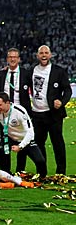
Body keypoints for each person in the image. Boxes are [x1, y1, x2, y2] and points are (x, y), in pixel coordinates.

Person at [29, 45, 71, 175]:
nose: (43, 55)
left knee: (57, 143)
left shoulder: (58, 71)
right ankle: (42, 172)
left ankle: (61, 172)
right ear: (37, 56)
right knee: (39, 144)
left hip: (53, 114)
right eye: (41, 53)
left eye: (46, 53)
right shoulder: (31, 71)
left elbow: (68, 90)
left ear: (50, 55)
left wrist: (62, 102)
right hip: (37, 114)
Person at [0, 92, 46, 177]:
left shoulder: (19, 111)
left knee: (40, 161)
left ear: (7, 103)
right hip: (10, 138)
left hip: (25, 139)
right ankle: (6, 174)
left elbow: (30, 132)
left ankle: (42, 177)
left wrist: (20, 146)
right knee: (1, 150)